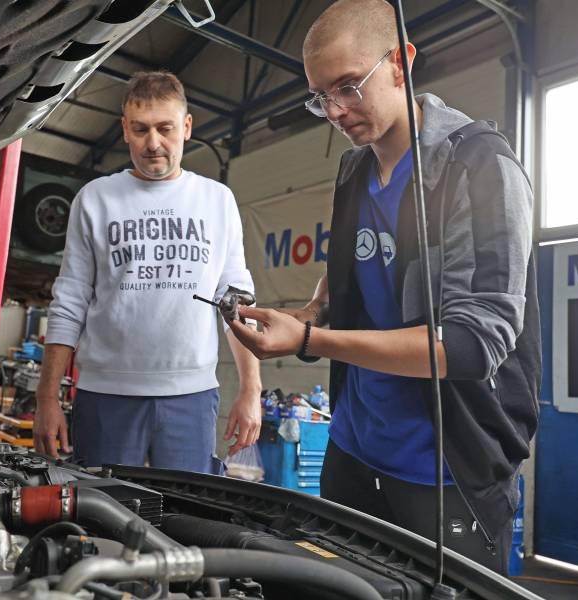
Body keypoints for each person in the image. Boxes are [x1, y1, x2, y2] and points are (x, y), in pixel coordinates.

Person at [227, 0, 539, 575]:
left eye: (349, 86)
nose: (337, 112)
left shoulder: (481, 166)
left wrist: (308, 342)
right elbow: (358, 260)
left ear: (402, 62)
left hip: (444, 469)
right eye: (321, 97)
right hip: (353, 449)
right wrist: (315, 309)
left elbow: (473, 344)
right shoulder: (354, 170)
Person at [34, 70, 262, 474]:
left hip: (190, 397)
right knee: (101, 517)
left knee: (183, 520)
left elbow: (236, 300)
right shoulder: (95, 199)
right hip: (105, 395)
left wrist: (251, 389)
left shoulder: (216, 200)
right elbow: (69, 300)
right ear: (124, 129)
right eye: (140, 129)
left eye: (165, 128)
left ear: (187, 127)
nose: (153, 143)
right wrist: (46, 399)